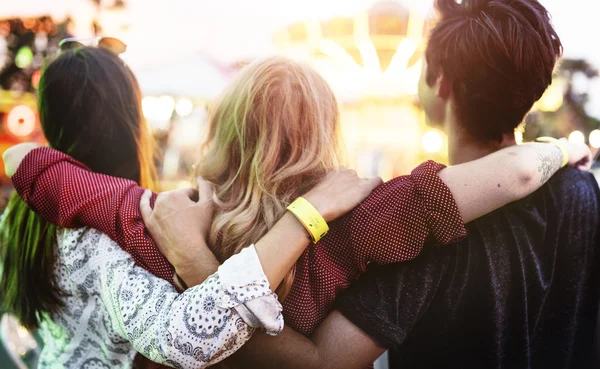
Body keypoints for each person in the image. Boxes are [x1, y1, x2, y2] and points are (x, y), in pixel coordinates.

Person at [3, 53, 591, 369]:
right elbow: (513, 172)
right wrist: (568, 147)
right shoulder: (360, 222)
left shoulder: (162, 216)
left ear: (225, 126)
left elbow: (38, 171)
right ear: (325, 129)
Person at [188, 0, 598, 368]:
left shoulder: (414, 230)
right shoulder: (582, 193)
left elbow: (323, 362)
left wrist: (199, 271)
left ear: (441, 83)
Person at [0, 44, 383, 369]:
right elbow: (185, 337)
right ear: (133, 122)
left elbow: (22, 157)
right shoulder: (109, 235)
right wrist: (305, 216)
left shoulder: (19, 215)